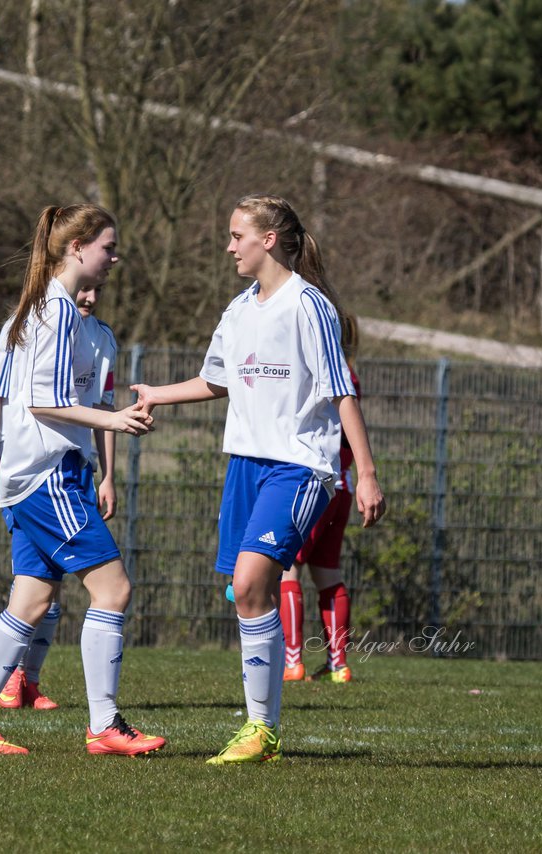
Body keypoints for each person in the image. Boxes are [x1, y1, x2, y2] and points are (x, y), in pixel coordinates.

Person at [132, 194, 385, 764]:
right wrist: (158, 395)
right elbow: (216, 380)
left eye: (236, 236)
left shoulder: (309, 305)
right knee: (247, 595)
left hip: (300, 466)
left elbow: (340, 390)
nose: (229, 247)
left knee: (249, 584)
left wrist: (364, 473)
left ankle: (261, 730)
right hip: (245, 464)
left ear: (267, 240)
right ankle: (261, 730)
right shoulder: (238, 308)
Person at [0, 204, 165, 756]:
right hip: (49, 477)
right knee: (113, 589)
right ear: (77, 248)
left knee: (31, 601)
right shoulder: (58, 311)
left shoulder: (50, 309)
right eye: (108, 248)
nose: (115, 258)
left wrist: (108, 453)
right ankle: (104, 725)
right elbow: (46, 402)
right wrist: (112, 419)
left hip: (35, 478)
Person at [0, 279, 119, 712]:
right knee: (109, 589)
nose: (91, 298)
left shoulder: (102, 339)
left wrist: (108, 475)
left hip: (72, 470)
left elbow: (104, 409)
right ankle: (101, 720)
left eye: (100, 290)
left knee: (39, 590)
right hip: (41, 471)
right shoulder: (28, 324)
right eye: (86, 288)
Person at [280, 317, 362, 685]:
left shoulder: (320, 368)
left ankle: (292, 661)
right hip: (342, 486)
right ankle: (337, 664)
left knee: (288, 568)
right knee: (328, 572)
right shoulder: (348, 372)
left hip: (315, 481)